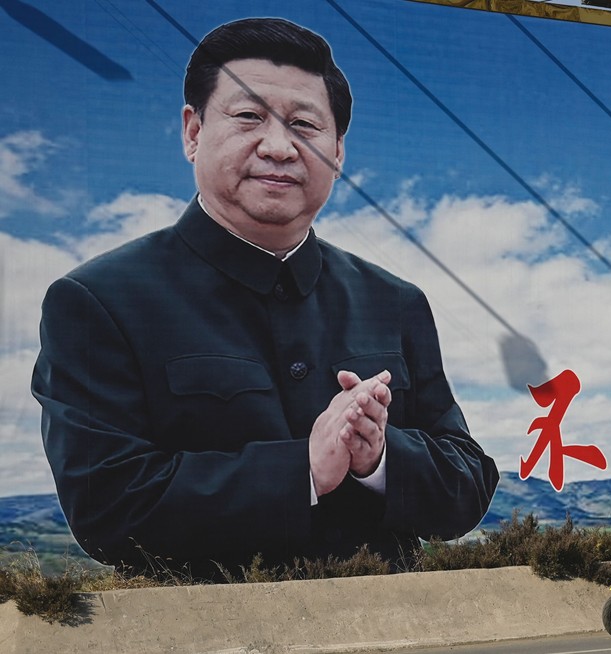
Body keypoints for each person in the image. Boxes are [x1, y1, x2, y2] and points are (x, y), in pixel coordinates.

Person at [31, 17, 498, 578]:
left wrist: (377, 457)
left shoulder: (394, 301)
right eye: (249, 116)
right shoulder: (98, 300)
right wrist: (303, 467)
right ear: (193, 132)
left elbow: (466, 484)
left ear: (338, 152)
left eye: (305, 125)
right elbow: (107, 506)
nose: (279, 147)